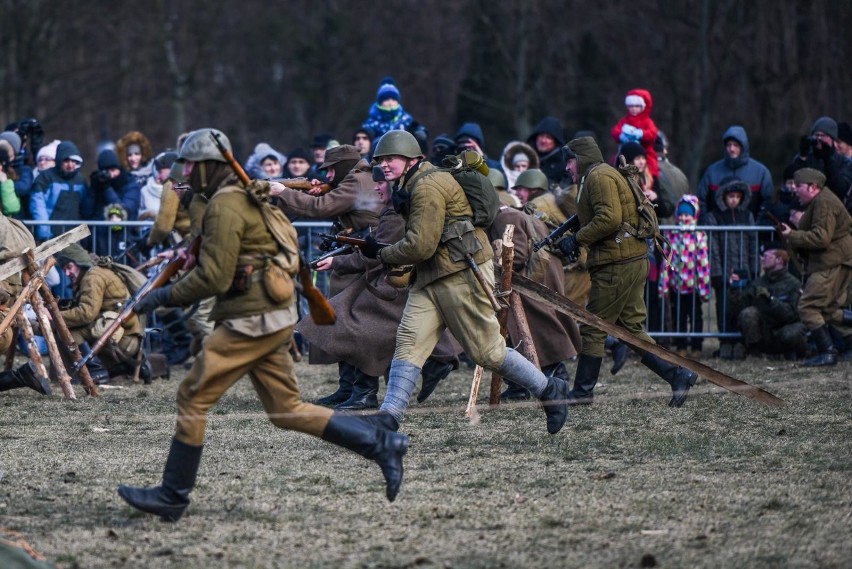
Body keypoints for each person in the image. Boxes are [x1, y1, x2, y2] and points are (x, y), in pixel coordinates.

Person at [117, 128, 408, 523]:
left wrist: (159, 297)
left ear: (207, 167)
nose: (184, 171)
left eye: (190, 164)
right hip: (270, 313)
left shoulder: (228, 204)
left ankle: (173, 494)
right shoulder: (243, 197)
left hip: (250, 317)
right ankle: (380, 443)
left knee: (192, 396)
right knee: (286, 410)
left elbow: (214, 279)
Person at [365, 130, 569, 434]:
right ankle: (390, 414)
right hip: (433, 275)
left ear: (412, 159)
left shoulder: (427, 186)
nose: (384, 164)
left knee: (487, 352)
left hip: (461, 272)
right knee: (409, 340)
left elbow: (421, 245)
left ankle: (550, 390)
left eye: (391, 158)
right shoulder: (414, 183)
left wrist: (382, 253)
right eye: (381, 159)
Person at [298, 166, 459, 410]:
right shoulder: (394, 209)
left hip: (397, 284)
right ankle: (357, 388)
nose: (376, 187)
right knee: (355, 322)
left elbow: (379, 254)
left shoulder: (395, 213)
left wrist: (337, 261)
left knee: (359, 326)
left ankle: (365, 393)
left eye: (382, 183)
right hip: (393, 281)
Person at [558, 136, 697, 407]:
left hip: (617, 263)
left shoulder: (598, 177)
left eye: (570, 160)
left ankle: (583, 393)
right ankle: (678, 375)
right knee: (630, 328)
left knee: (594, 327)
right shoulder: (603, 175)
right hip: (630, 259)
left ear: (582, 158)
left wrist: (576, 239)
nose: (567, 167)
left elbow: (609, 219)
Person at [272, 144, 383, 406]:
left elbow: (321, 207)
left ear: (343, 167)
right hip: (355, 257)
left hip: (361, 261)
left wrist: (282, 191)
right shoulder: (361, 178)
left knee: (357, 327)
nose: (328, 176)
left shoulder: (355, 181)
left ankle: (364, 392)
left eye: (331, 170)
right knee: (344, 325)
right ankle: (348, 389)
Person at [488, 204, 580, 401]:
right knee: (534, 332)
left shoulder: (504, 217)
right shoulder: (514, 212)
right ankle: (526, 383)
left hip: (530, 280)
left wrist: (491, 262)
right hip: (540, 275)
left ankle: (543, 380)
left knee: (533, 332)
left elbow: (517, 256)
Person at [780, 168, 852, 366]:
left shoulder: (824, 203)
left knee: (808, 306)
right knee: (828, 310)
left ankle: (828, 352)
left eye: (798, 186)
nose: (794, 190)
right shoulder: (821, 201)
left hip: (831, 261)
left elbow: (821, 237)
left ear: (813, 187)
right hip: (837, 260)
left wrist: (792, 236)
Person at [55, 244, 145, 382]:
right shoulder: (93, 273)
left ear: (79, 262)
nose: (67, 274)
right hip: (126, 336)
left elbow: (86, 314)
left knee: (68, 332)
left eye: (69, 267)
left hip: (123, 340)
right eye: (64, 269)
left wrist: (55, 317)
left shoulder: (93, 277)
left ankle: (96, 371)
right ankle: (104, 369)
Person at [704, 178, 757, 359]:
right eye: (731, 196)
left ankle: (741, 342)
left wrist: (754, 269)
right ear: (723, 197)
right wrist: (717, 273)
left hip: (744, 272)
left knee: (743, 307)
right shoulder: (714, 217)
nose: (734, 200)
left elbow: (752, 244)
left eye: (737, 196)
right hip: (725, 273)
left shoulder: (747, 216)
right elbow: (713, 248)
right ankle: (725, 342)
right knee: (723, 308)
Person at [728, 244, 807, 360]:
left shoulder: (793, 284)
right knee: (748, 313)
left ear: (779, 260)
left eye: (766, 256)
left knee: (794, 332)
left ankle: (793, 353)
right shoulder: (758, 283)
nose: (762, 259)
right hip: (765, 333)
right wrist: (734, 289)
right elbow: (739, 309)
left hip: (784, 330)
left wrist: (771, 300)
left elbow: (792, 314)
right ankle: (755, 353)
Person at [659, 195, 711, 358]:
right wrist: (664, 285)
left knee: (696, 317)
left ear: (694, 215)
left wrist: (704, 289)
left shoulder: (699, 235)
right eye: (680, 214)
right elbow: (665, 261)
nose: (683, 217)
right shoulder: (671, 234)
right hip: (677, 285)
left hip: (694, 286)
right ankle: (681, 345)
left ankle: (696, 346)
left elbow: (703, 264)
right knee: (679, 317)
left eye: (687, 214)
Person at [696, 125, 773, 220]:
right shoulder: (711, 172)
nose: (731, 149)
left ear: (743, 147)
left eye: (736, 145)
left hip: (750, 231)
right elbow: (701, 201)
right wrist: (707, 224)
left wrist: (756, 228)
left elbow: (768, 203)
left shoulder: (761, 173)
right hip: (716, 232)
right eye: (729, 145)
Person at [30, 140, 93, 242]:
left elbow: (85, 207)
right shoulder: (45, 177)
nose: (70, 165)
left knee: (82, 258)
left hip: (74, 235)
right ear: (59, 160)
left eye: (74, 161)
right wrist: (44, 231)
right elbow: (38, 205)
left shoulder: (80, 179)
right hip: (50, 236)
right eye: (66, 161)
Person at [789, 116, 852, 212]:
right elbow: (794, 179)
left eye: (822, 136)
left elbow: (841, 188)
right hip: (806, 210)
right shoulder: (807, 158)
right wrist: (802, 156)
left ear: (832, 139)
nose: (818, 139)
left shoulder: (844, 162)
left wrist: (827, 159)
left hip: (833, 211)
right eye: (816, 135)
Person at [610, 89, 660, 177]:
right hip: (625, 152)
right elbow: (615, 131)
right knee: (612, 165)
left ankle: (654, 187)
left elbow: (653, 133)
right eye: (631, 106)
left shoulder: (647, 121)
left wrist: (641, 134)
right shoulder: (624, 121)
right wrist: (621, 136)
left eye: (637, 106)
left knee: (652, 171)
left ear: (643, 107)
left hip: (645, 153)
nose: (633, 109)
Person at [653, 132, 690, 224]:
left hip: (658, 232)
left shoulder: (648, 173)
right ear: (664, 150)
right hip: (679, 232)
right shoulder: (680, 174)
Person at [526, 116, 567, 185]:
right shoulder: (525, 158)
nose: (543, 141)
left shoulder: (564, 165)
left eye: (548, 137)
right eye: (541, 136)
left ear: (556, 141)